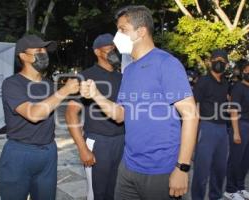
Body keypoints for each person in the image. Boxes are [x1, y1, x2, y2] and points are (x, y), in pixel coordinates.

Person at [79, 5, 199, 200]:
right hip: (129, 166)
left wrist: (182, 168)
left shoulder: (166, 63)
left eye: (122, 30)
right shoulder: (129, 71)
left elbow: (191, 115)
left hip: (162, 170)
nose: (117, 36)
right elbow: (120, 115)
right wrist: (96, 95)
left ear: (141, 31)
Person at [0, 34, 79, 200]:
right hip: (19, 153)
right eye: (38, 50)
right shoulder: (12, 84)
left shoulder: (48, 84)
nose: (44, 53)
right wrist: (64, 90)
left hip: (48, 152)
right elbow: (34, 115)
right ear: (22, 55)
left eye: (45, 50)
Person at [65, 33, 124, 200]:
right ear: (97, 52)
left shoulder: (123, 77)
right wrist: (83, 148)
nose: (114, 51)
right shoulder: (86, 76)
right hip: (98, 142)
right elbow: (70, 113)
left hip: (122, 141)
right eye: (109, 48)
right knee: (97, 193)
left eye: (115, 48)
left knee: (116, 191)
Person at [191, 49, 230, 200]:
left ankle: (215, 196)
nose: (219, 62)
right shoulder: (203, 81)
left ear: (226, 64)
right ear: (210, 62)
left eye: (222, 60)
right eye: (216, 59)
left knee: (220, 169)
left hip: (222, 130)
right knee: (202, 171)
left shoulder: (226, 83)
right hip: (207, 128)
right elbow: (194, 106)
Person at [224, 62, 249, 200]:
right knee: (236, 159)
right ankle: (230, 189)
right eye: (247, 70)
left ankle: (240, 187)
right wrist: (235, 132)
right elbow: (234, 110)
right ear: (242, 73)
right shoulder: (238, 87)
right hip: (240, 125)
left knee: (246, 160)